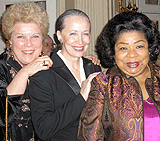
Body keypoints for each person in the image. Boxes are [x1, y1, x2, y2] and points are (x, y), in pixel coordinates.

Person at [77, 11, 160, 141]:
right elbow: (89, 137)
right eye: (123, 48)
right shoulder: (103, 85)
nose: (132, 55)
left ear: (149, 48)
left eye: (139, 46)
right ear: (113, 52)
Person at [28, 9, 101, 141]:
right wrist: (81, 98)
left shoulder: (94, 67)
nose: (80, 41)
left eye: (85, 34)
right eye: (73, 33)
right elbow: (44, 129)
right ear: (59, 36)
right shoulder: (43, 74)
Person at [0, 2, 53, 141]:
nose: (28, 44)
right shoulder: (1, 68)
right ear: (9, 40)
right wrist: (25, 72)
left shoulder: (48, 67)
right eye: (20, 37)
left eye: (35, 36)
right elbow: (2, 117)